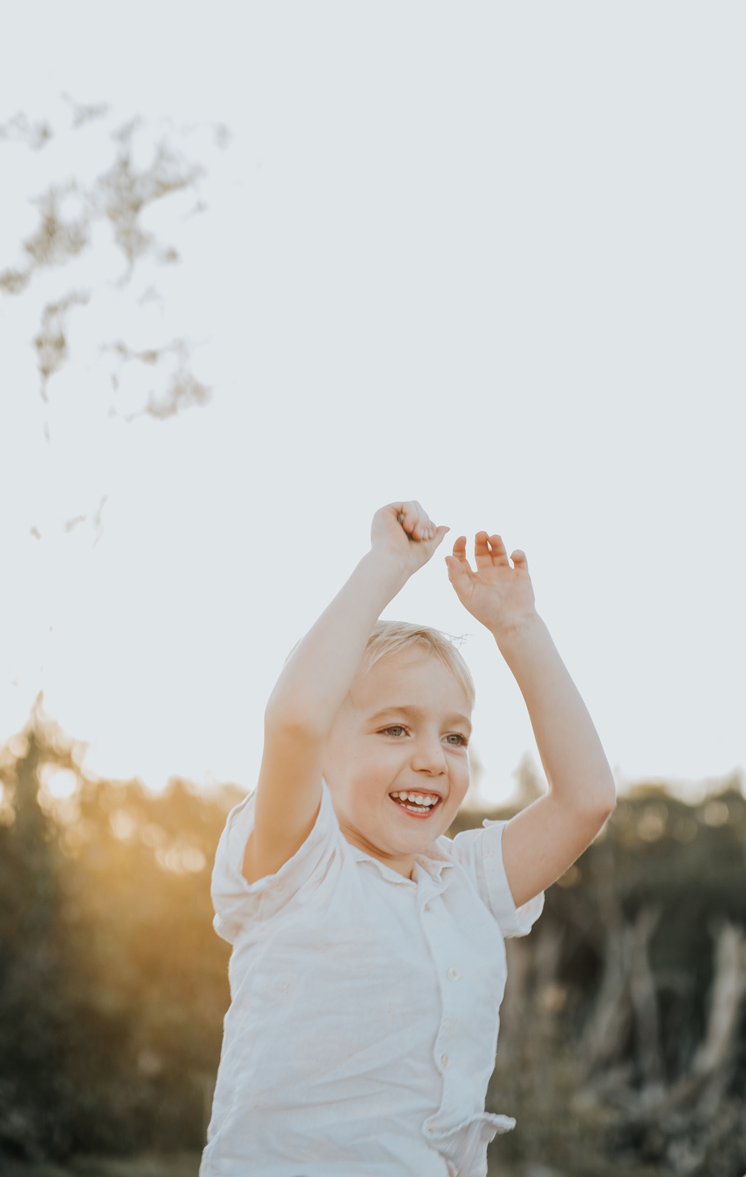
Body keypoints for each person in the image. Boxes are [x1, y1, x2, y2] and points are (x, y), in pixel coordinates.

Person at [200, 500, 616, 1177]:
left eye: (454, 737)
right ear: (324, 756)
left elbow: (587, 799)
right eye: (396, 728)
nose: (432, 757)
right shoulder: (298, 859)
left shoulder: (464, 881)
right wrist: (386, 565)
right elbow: (297, 718)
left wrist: (519, 626)